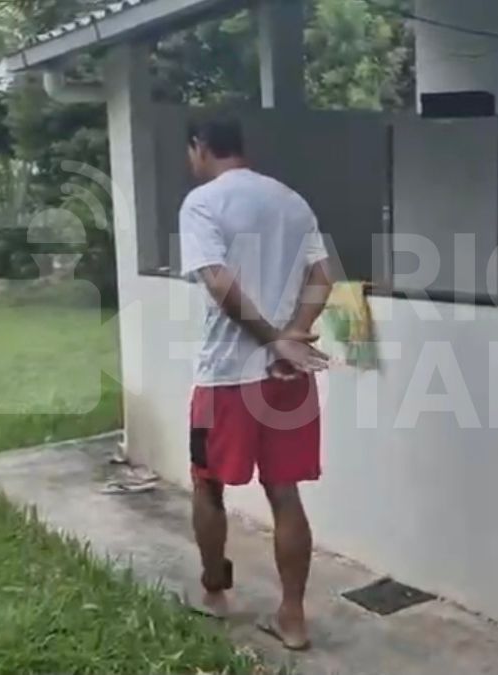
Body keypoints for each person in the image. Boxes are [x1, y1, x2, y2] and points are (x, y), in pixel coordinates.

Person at [178, 116, 333, 651]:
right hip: (284, 376)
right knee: (284, 492)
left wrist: (272, 339)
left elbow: (218, 282)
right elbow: (323, 277)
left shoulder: (202, 203)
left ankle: (214, 591)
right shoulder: (292, 201)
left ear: (200, 146)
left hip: (225, 376)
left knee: (206, 483)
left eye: (190, 152)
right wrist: (292, 336)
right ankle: (293, 618)